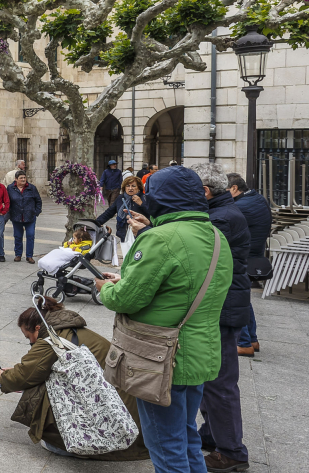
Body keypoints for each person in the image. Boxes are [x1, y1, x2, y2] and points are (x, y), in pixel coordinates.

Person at [96, 166, 231, 473]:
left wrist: (107, 288)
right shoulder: (215, 235)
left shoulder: (160, 239)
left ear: (164, 198)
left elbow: (126, 299)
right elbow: (180, 284)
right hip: (198, 354)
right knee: (186, 438)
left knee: (165, 448)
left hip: (161, 359)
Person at [0, 297, 149, 461]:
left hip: (119, 427)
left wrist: (3, 377)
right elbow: (35, 368)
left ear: (38, 328)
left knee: (49, 438)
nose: (30, 341)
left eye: (28, 336)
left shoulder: (52, 339)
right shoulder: (70, 329)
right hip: (130, 412)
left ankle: (84, 446)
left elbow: (24, 375)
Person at [189, 164, 251, 473]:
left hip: (223, 308)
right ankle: (212, 436)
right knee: (210, 376)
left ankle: (232, 452)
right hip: (226, 305)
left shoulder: (222, 218)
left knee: (219, 381)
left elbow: (197, 256)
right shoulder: (222, 212)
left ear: (204, 191)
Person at [227, 172, 269, 357]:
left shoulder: (241, 206)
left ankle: (244, 342)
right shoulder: (257, 199)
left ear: (234, 188)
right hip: (253, 255)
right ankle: (252, 339)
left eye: (224, 191)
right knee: (244, 298)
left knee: (237, 298)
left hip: (243, 257)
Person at [96, 175, 148, 242]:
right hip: (124, 234)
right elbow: (109, 213)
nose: (130, 188)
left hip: (140, 234)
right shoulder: (120, 198)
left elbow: (151, 215)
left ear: (139, 187)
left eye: (133, 186)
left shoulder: (144, 198)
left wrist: (142, 204)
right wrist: (96, 223)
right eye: (128, 186)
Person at [7, 170, 42, 263]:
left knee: (30, 235)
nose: (23, 179)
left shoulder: (32, 188)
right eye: (21, 178)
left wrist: (36, 212)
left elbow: (38, 201)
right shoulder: (10, 188)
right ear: (16, 179)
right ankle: (18, 254)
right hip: (16, 216)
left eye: (24, 178)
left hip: (30, 216)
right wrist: (9, 212)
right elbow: (7, 201)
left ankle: (29, 256)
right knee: (18, 236)